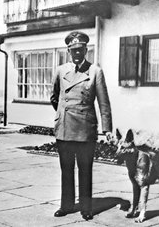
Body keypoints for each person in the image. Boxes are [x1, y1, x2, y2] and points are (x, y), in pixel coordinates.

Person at [50, 31, 113, 221]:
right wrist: (63, 113)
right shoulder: (61, 71)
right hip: (65, 127)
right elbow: (54, 97)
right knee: (66, 169)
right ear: (68, 51)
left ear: (86, 50)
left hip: (85, 129)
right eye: (73, 50)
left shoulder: (95, 71)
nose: (77, 53)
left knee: (85, 170)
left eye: (80, 49)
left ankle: (86, 207)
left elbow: (103, 103)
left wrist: (107, 129)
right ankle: (66, 205)